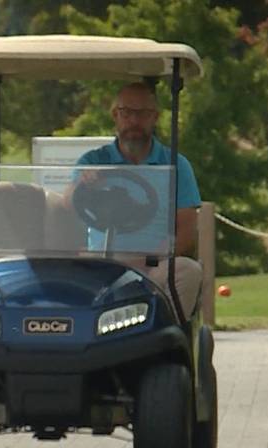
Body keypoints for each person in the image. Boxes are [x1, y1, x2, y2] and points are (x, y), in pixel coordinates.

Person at [71, 81, 203, 320]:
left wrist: (149, 259)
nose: (134, 121)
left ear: (155, 117)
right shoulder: (94, 161)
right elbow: (67, 210)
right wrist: (82, 185)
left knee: (188, 271)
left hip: (153, 265)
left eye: (142, 114)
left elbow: (185, 229)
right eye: (127, 113)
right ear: (115, 115)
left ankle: (161, 338)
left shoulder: (175, 164)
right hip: (100, 264)